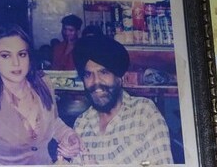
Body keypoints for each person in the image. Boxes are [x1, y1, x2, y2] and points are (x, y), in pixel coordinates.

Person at [0, 24, 81, 165]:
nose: (16, 63)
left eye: (22, 54)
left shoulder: (44, 84)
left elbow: (53, 122)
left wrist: (68, 136)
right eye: (5, 55)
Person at [73, 35, 174, 165]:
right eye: (88, 75)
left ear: (120, 78)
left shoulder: (144, 113)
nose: (96, 82)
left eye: (104, 72)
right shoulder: (81, 124)